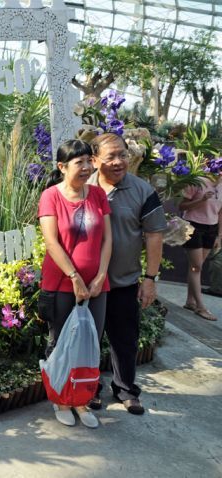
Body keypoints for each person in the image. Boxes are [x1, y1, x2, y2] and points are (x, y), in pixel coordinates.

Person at [88, 132, 167, 415]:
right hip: (88, 284)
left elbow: (155, 235)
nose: (120, 161)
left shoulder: (142, 191)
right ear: (95, 160)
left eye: (123, 154)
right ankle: (89, 388)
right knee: (88, 338)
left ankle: (125, 390)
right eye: (111, 156)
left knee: (125, 339)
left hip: (123, 281)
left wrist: (149, 279)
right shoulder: (82, 187)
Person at [38, 139, 112, 428]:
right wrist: (75, 277)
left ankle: (81, 400)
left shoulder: (97, 195)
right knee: (61, 344)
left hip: (96, 286)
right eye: (78, 162)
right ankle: (61, 399)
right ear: (62, 166)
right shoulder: (51, 196)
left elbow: (108, 239)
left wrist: (101, 274)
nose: (85, 167)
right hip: (61, 284)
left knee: (90, 344)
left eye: (88, 161)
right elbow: (51, 242)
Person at [179, 173, 222, 321]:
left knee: (196, 266)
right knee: (196, 267)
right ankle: (200, 307)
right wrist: (202, 200)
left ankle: (190, 302)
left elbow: (220, 212)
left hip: (212, 228)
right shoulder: (198, 182)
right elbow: (182, 206)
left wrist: (219, 235)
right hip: (193, 226)